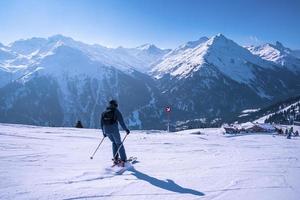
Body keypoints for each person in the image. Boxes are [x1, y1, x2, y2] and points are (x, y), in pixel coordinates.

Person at [101, 100, 130, 167]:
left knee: (114, 143)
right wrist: (126, 130)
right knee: (119, 144)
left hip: (106, 131)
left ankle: (115, 158)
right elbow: (121, 122)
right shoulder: (116, 111)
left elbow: (101, 124)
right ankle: (123, 159)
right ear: (115, 105)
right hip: (114, 130)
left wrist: (104, 133)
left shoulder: (104, 112)